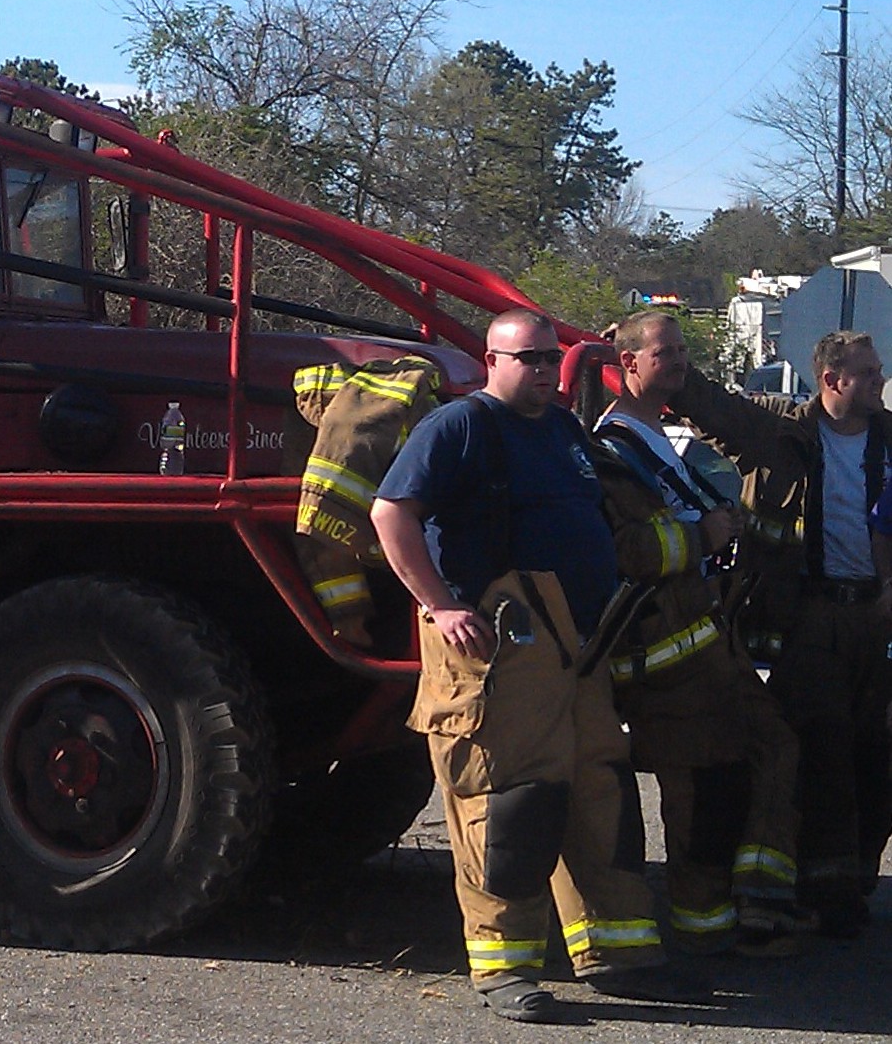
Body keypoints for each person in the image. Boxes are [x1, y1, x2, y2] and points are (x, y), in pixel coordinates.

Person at [373, 309, 696, 1023]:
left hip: (575, 645)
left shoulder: (560, 429)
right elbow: (391, 512)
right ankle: (504, 967)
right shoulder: (460, 427)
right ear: (492, 359)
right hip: (498, 648)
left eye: (552, 359)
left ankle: (618, 951)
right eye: (529, 360)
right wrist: (440, 604)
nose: (546, 371)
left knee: (596, 790)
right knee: (508, 803)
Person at [594, 310, 808, 955]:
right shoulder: (612, 450)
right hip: (661, 652)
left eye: (684, 350)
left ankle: (759, 901)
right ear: (628, 364)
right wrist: (704, 535)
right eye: (668, 352)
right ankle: (705, 925)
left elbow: (762, 445)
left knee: (772, 747)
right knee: (698, 788)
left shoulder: (659, 435)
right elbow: (624, 552)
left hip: (709, 639)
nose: (681, 362)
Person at [670, 329, 892, 937]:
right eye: (868, 373)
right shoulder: (779, 432)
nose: (879, 381)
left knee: (877, 754)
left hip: (880, 617)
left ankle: (854, 875)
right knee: (822, 747)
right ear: (832, 380)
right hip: (809, 617)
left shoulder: (891, 437)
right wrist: (658, 358)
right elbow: (710, 406)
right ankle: (826, 887)